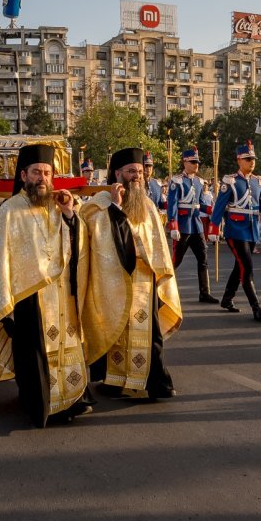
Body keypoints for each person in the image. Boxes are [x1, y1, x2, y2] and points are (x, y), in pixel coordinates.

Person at [0, 144, 91, 427]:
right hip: (29, 294)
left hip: (61, 292)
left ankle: (73, 399)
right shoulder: (10, 209)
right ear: (24, 174)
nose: (42, 178)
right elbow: (0, 257)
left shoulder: (59, 204)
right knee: (34, 351)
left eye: (47, 172)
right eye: (36, 172)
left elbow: (77, 243)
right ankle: (43, 403)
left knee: (68, 343)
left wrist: (69, 215)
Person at [81, 147, 182, 400]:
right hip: (113, 279)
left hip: (144, 280)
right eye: (130, 171)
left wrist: (159, 273)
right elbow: (95, 238)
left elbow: (155, 242)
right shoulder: (99, 204)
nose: (137, 176)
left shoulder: (146, 203)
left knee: (150, 335)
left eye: (139, 171)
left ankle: (159, 384)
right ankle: (115, 382)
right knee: (114, 330)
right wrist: (114, 207)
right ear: (118, 174)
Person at [210, 141, 261, 321]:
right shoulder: (231, 181)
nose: (252, 162)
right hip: (235, 230)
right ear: (239, 160)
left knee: (240, 266)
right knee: (247, 266)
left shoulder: (258, 181)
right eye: (247, 159)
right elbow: (219, 207)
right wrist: (214, 228)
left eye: (253, 159)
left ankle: (227, 299)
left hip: (252, 229)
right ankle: (256, 307)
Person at [166, 148, 218, 303]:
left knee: (203, 258)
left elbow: (200, 204)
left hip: (196, 225)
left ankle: (204, 292)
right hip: (183, 226)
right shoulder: (177, 181)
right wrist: (173, 225)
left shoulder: (199, 181)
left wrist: (211, 209)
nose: (196, 165)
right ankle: (162, 289)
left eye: (197, 162)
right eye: (193, 162)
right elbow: (172, 205)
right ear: (185, 162)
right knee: (176, 261)